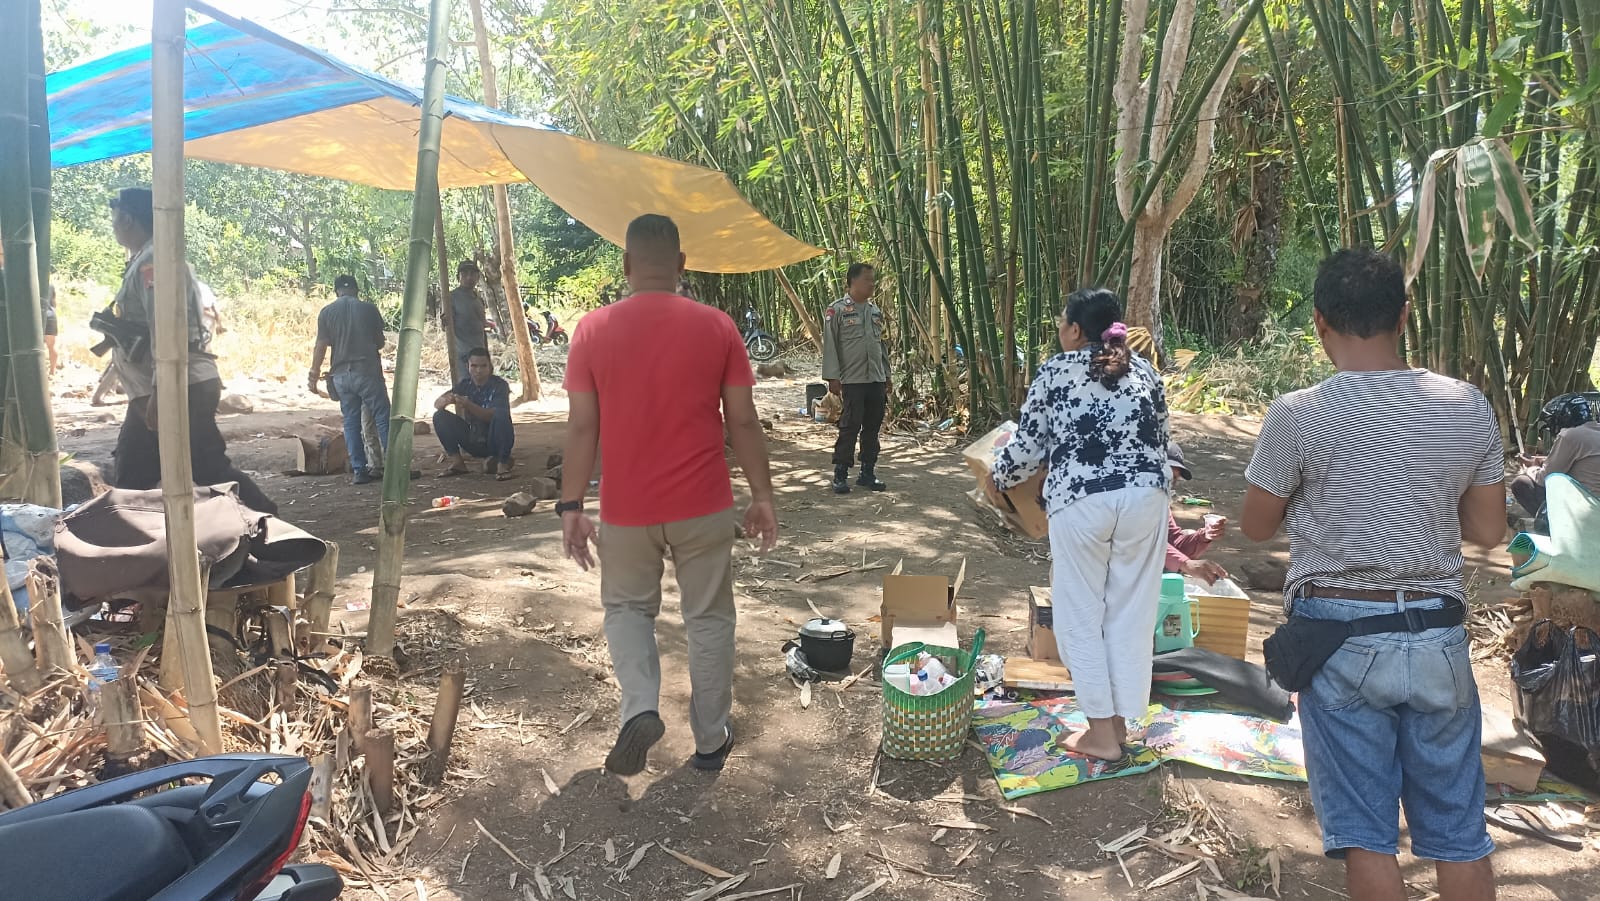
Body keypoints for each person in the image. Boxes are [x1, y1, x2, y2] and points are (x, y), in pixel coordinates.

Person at [1240, 248, 1502, 901]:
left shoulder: (1298, 412)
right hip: (1437, 635)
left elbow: (1256, 525)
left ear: (1319, 321)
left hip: (1339, 638)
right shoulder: (1466, 405)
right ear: (1404, 315)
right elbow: (1488, 529)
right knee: (1459, 833)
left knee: (1367, 836)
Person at [559, 214, 778, 776]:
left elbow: (582, 427)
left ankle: (640, 706)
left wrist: (571, 507)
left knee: (628, 610)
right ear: (681, 264)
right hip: (703, 505)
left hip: (627, 510)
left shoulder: (591, 330)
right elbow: (743, 421)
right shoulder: (718, 327)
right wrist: (762, 495)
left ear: (626, 265)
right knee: (708, 620)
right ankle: (710, 741)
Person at [989, 288, 1169, 761]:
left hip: (1083, 501)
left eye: (1061, 323)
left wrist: (996, 477)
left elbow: (1025, 450)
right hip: (1147, 498)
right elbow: (1162, 439)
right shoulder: (1145, 371)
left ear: (1074, 330)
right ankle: (1119, 724)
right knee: (1130, 614)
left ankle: (1101, 735)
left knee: (1080, 615)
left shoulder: (1056, 371)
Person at [102, 187, 278, 515]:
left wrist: (161, 390)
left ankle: (265, 518)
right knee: (133, 469)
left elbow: (166, 325)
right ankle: (136, 535)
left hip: (177, 385)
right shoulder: (144, 259)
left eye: (114, 220)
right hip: (158, 387)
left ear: (127, 219)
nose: (113, 226)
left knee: (206, 467)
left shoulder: (153, 261)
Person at [309, 274, 391, 485]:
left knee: (351, 424)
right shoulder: (368, 309)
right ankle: (395, 467)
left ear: (337, 291)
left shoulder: (326, 312)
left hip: (341, 376)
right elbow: (380, 342)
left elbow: (320, 345)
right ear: (356, 290)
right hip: (367, 372)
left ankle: (359, 470)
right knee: (383, 417)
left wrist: (313, 375)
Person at [822, 263, 890, 494]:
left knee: (872, 426)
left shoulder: (874, 311)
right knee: (850, 426)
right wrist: (832, 377)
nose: (872, 284)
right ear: (853, 281)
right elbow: (830, 345)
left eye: (873, 279)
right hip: (852, 379)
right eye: (867, 279)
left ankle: (867, 473)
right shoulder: (837, 310)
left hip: (876, 378)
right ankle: (840, 474)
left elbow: (881, 347)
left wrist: (887, 375)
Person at [1510, 392, 1600, 519]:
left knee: (1521, 483)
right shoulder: (1594, 431)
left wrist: (1530, 468)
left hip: (1586, 507)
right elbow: (1582, 463)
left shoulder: (1570, 435)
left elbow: (1544, 478)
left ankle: (1550, 523)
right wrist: (1541, 460)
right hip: (1594, 502)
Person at [432, 347, 515, 478]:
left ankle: (502, 464)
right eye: (474, 366)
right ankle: (458, 463)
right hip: (473, 439)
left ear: (490, 366)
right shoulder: (465, 385)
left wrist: (468, 404)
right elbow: (437, 404)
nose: (478, 370)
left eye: (483, 366)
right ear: (468, 366)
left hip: (495, 441)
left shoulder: (500, 385)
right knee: (439, 416)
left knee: (501, 415)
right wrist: (447, 400)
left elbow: (490, 416)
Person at [1165, 442, 1229, 584]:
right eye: (1165, 478)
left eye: (1173, 481)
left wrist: (1204, 536)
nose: (1168, 485)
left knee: (1188, 534)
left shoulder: (1160, 505)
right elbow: (1142, 542)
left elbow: (1174, 542)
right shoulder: (1130, 502)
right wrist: (1185, 564)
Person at [449, 260, 487, 375]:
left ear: (478, 277)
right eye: (465, 274)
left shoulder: (478, 298)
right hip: (463, 355)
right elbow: (446, 325)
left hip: (480, 353)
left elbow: (482, 327)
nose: (469, 277)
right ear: (458, 277)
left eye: (472, 274)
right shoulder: (452, 298)